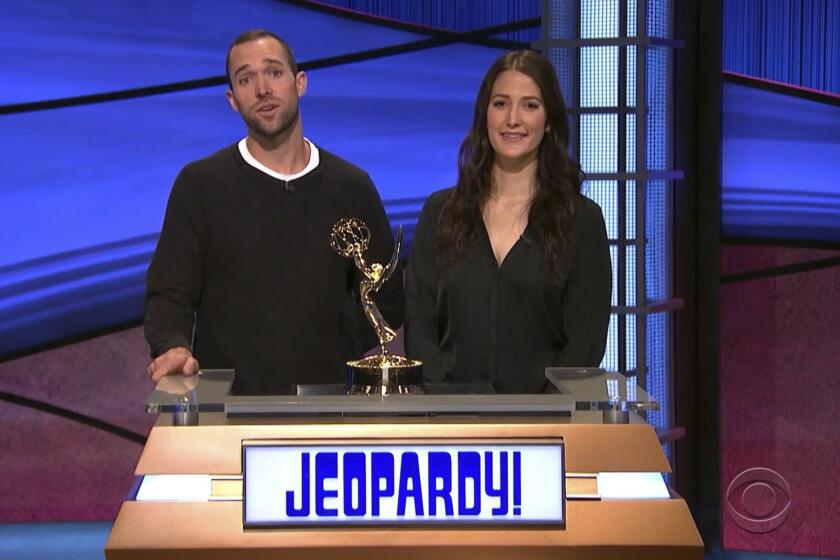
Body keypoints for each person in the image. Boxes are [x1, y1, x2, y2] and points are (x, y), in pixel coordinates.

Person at [144, 29, 402, 395]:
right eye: (246, 78)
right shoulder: (200, 185)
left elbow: (386, 296)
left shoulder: (351, 186)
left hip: (330, 412)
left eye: (274, 72)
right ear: (232, 99)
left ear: (300, 83)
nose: (262, 88)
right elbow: (169, 291)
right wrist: (173, 346)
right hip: (228, 413)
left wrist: (331, 348)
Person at [404, 50, 611, 394]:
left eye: (530, 105)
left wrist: (541, 423)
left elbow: (584, 345)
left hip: (546, 430)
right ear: (485, 115)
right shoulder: (441, 213)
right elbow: (420, 330)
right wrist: (443, 410)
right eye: (501, 104)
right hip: (452, 425)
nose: (512, 119)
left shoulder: (582, 222)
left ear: (548, 121)